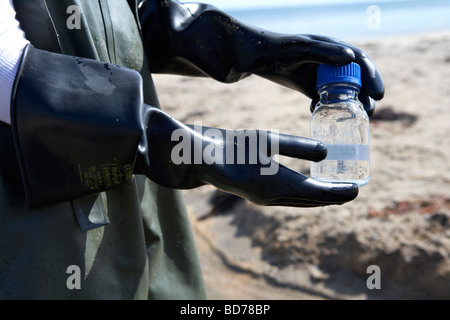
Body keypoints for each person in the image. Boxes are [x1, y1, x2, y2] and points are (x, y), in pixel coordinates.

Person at [0, 0, 384, 299]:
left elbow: (124, 14)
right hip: (34, 192)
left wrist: (242, 46)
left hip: (133, 176)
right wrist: (155, 139)